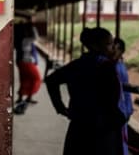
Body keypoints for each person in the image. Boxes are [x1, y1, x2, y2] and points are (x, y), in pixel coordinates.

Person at [45, 27, 125, 155]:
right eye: (109, 44)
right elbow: (112, 100)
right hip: (102, 131)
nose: (113, 48)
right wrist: (120, 118)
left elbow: (51, 80)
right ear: (95, 46)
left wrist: (60, 107)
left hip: (78, 126)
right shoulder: (106, 68)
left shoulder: (77, 65)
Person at [113, 37, 139, 155]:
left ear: (120, 50)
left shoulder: (119, 65)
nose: (110, 49)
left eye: (113, 47)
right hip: (117, 109)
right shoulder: (113, 65)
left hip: (121, 108)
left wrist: (128, 108)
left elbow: (123, 89)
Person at [13, 22, 42, 114]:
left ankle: (21, 98)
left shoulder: (17, 39)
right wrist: (33, 26)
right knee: (36, 78)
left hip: (20, 62)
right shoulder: (26, 40)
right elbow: (36, 38)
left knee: (24, 79)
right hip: (27, 62)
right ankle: (29, 97)